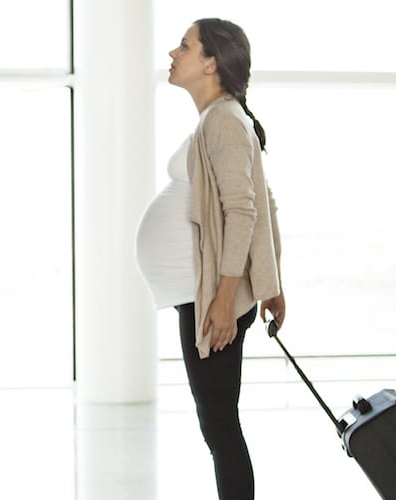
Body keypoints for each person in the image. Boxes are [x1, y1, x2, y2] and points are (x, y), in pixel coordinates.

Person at [135, 18, 285, 500]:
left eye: (184, 46)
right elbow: (264, 201)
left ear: (211, 62)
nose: (173, 54)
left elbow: (243, 211)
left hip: (210, 298)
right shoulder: (220, 118)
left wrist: (224, 300)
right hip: (200, 294)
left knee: (221, 429)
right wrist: (271, 284)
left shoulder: (223, 120)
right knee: (219, 427)